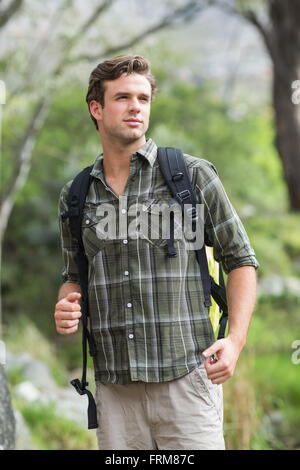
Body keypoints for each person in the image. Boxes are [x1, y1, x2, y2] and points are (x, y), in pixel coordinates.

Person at [54, 55, 259, 450]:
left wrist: (235, 341)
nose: (136, 107)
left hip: (187, 382)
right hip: (115, 394)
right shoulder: (76, 195)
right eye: (123, 98)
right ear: (96, 108)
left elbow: (241, 259)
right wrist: (66, 306)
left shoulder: (190, 176)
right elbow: (72, 277)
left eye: (143, 99)